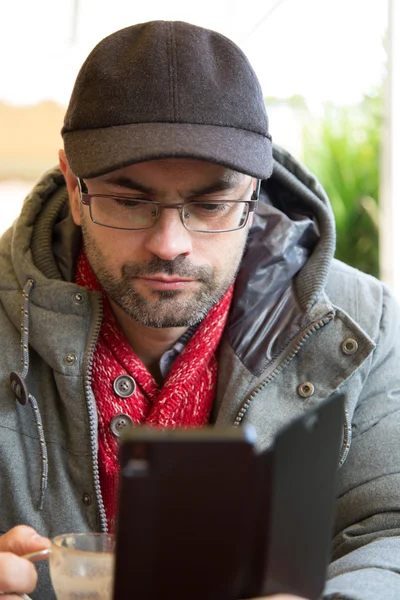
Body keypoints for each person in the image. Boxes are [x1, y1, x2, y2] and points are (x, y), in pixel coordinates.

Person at [0, 19, 399, 600]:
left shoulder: (369, 321)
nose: (169, 244)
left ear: (254, 193)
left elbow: (388, 528)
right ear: (74, 185)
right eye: (130, 201)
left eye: (211, 204)